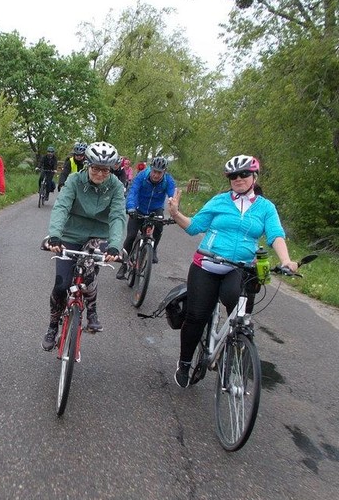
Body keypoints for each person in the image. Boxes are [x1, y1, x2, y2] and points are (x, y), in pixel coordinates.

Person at [166, 154, 299, 388]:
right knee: (196, 317)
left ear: (254, 176)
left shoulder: (266, 208)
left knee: (238, 312)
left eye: (244, 174)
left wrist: (286, 260)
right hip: (207, 264)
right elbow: (195, 227)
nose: (238, 179)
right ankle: (185, 362)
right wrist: (176, 213)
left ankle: (230, 347)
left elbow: (276, 234)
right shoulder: (219, 201)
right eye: (233, 176)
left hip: (240, 267)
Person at [42, 141, 126, 350]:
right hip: (71, 233)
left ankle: (92, 310)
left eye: (105, 170)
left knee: (88, 276)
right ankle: (53, 325)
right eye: (95, 168)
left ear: (111, 169)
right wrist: (55, 236)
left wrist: (115, 245)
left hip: (98, 236)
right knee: (61, 284)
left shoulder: (115, 186)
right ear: (88, 165)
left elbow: (117, 216)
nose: (99, 173)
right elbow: (61, 207)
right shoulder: (74, 180)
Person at [116, 155, 176, 279]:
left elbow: (172, 198)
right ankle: (124, 265)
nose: (156, 175)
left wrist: (175, 212)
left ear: (164, 172)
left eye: (159, 173)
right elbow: (133, 192)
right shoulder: (142, 176)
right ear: (151, 168)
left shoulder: (168, 181)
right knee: (131, 236)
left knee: (159, 225)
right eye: (154, 171)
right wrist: (131, 207)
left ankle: (153, 249)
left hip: (156, 208)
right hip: (138, 208)